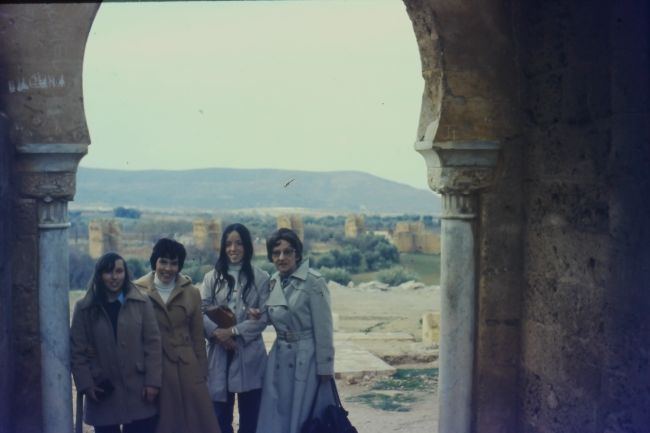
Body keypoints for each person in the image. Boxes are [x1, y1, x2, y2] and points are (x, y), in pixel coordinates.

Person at [134, 238, 221, 433]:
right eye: (163, 261)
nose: (168, 268)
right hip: (153, 367)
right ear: (155, 262)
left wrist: (202, 373)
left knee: (194, 423)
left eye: (174, 263)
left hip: (186, 367)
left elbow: (198, 337)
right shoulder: (137, 291)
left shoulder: (191, 293)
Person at [70, 252, 162, 433]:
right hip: (103, 389)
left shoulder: (142, 303)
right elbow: (77, 351)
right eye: (108, 272)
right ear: (99, 275)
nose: (114, 277)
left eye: (119, 271)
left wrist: (153, 382)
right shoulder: (84, 308)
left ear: (125, 273)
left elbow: (153, 344)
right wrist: (86, 384)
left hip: (139, 389)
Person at [255, 228, 335, 433]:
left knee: (304, 417)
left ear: (297, 254)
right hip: (279, 356)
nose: (281, 257)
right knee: (275, 415)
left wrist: (325, 367)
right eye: (276, 253)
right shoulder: (273, 281)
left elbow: (324, 328)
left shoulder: (313, 282)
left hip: (305, 359)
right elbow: (279, 317)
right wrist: (259, 315)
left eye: (287, 252)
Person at [199, 223, 271, 433]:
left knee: (251, 417)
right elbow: (200, 311)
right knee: (219, 418)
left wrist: (232, 332)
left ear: (247, 246)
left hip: (249, 355)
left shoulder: (261, 278)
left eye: (238, 243)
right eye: (228, 244)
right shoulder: (211, 278)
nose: (233, 248)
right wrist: (217, 334)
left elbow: (264, 316)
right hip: (218, 355)